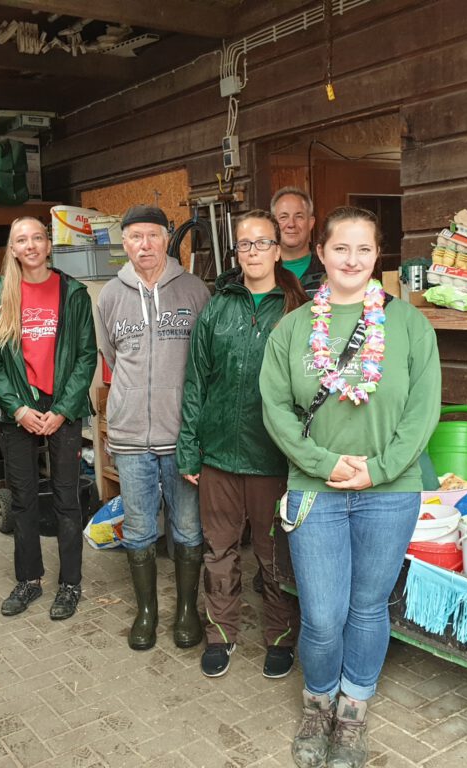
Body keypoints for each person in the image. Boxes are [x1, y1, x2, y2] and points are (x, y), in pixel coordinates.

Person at [259, 206, 441, 768]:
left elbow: (422, 408)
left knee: (367, 608)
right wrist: (323, 462)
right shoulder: (292, 329)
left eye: (364, 250)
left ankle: (352, 714)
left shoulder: (410, 324)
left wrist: (378, 469)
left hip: (390, 490)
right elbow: (276, 409)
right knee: (320, 614)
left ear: (377, 255)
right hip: (316, 489)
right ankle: (318, 706)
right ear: (322, 253)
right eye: (341, 249)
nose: (352, 260)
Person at [176, 210, 306, 679]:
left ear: (277, 249)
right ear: (237, 253)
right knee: (221, 553)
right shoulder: (218, 307)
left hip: (272, 456)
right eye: (244, 245)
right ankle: (220, 635)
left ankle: (278, 637)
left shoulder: (297, 308)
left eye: (261, 243)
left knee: (274, 557)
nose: (252, 252)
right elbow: (196, 382)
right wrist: (190, 449)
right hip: (219, 457)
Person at [95, 204, 210, 651]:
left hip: (181, 436)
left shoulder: (195, 290)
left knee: (187, 528)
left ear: (167, 238)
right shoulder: (109, 296)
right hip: (129, 439)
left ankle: (186, 610)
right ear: (123, 243)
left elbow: (204, 362)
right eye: (135, 237)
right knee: (140, 530)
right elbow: (111, 356)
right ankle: (146, 613)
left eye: (153, 236)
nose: (144, 245)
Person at [0, 217, 97, 620]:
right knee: (25, 500)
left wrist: (62, 409)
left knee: (67, 500)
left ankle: (70, 584)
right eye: (20, 240)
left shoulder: (73, 293)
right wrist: (17, 408)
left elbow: (85, 356)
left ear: (48, 245)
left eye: (37, 238)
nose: (30, 246)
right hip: (19, 409)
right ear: (12, 249)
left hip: (62, 404)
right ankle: (29, 580)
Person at [272, 186, 324, 294]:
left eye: (299, 216)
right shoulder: (261, 271)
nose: (291, 224)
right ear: (272, 224)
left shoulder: (328, 270)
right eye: (283, 217)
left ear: (311, 223)